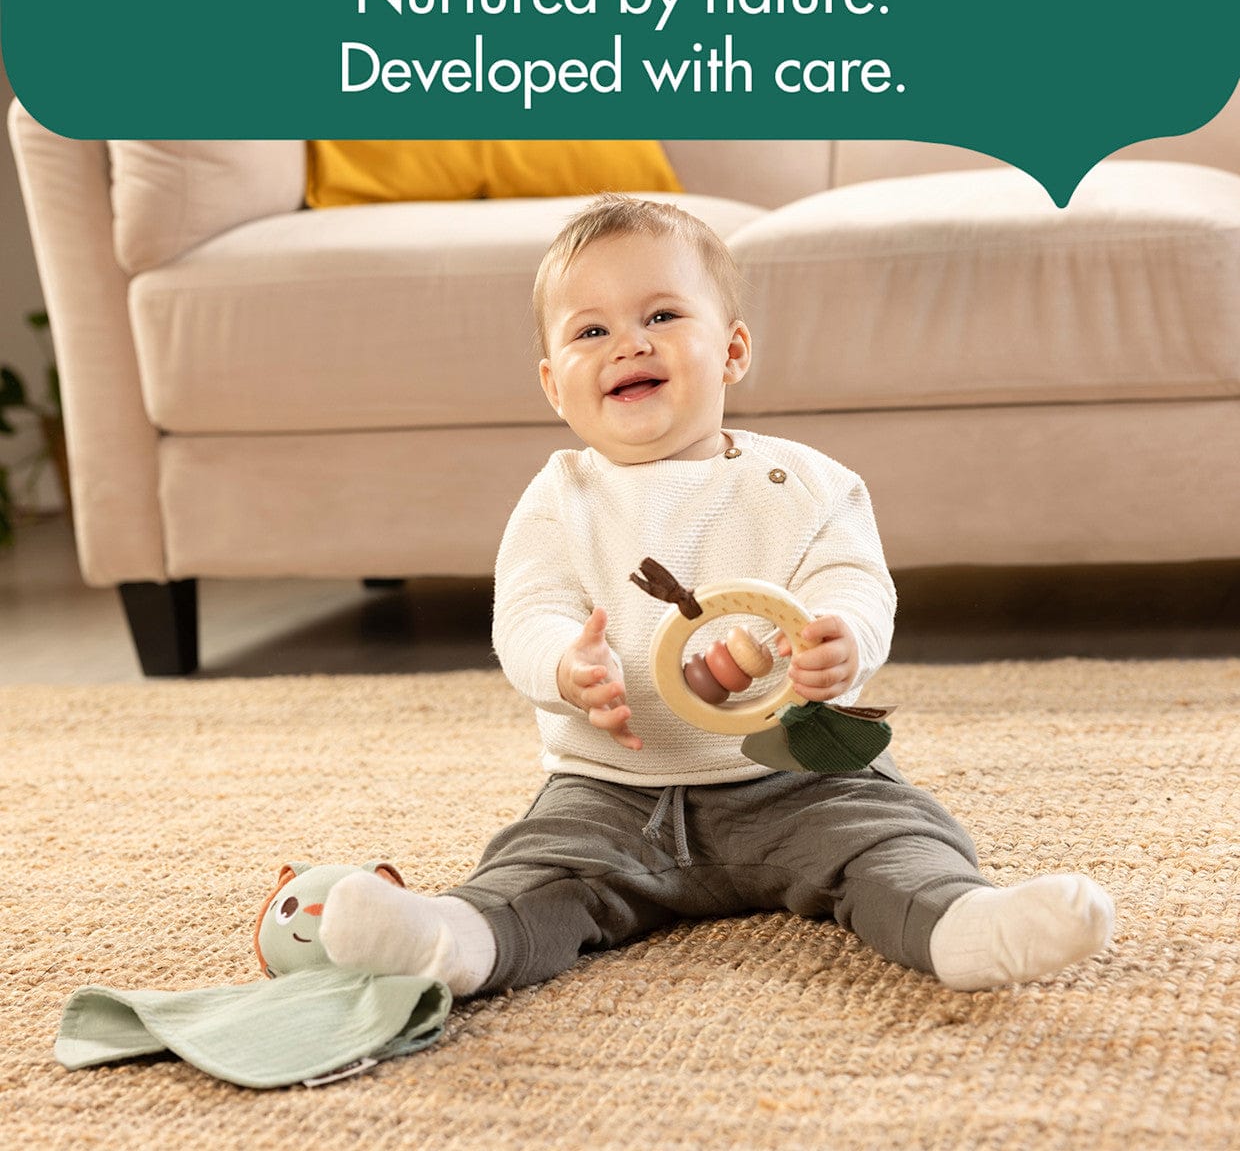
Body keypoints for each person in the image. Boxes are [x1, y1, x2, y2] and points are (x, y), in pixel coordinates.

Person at [320, 195, 1114, 996]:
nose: (629, 343)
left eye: (661, 315)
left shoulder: (807, 484)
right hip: (612, 791)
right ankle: (457, 938)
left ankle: (960, 923)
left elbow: (852, 580)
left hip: (798, 776)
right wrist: (565, 665)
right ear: (555, 385)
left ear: (732, 351)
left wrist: (843, 635)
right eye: (590, 331)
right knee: (539, 866)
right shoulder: (560, 498)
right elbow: (529, 611)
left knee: (890, 836)